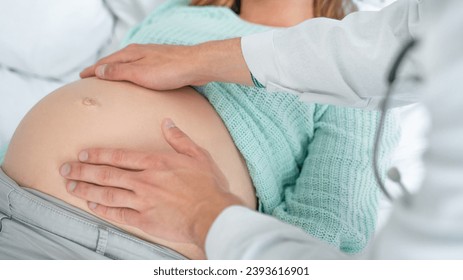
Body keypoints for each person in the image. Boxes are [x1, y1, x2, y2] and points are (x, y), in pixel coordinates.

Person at [0, 0, 397, 259]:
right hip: (13, 203)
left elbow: (330, 227)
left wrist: (213, 218)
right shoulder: (177, 13)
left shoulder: (359, 75)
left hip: (140, 254)